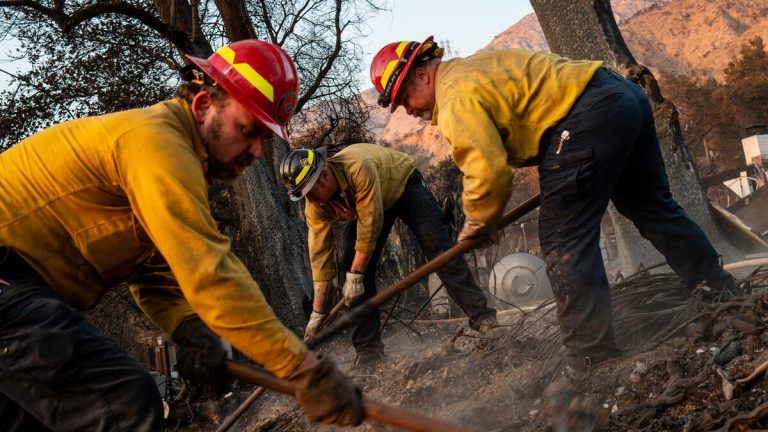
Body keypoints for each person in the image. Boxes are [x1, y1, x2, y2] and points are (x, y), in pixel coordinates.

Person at [0, 39, 363, 431]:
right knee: (122, 405)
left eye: (265, 137)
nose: (258, 150)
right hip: (8, 281)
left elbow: (149, 270)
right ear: (204, 105)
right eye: (248, 130)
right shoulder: (157, 144)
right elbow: (210, 274)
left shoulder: (167, 158)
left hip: (15, 286)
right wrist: (304, 370)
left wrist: (188, 328)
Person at [369, 36, 736, 374]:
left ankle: (592, 357)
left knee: (564, 243)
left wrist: (479, 222)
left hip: (584, 115)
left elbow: (487, 167)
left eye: (403, 98)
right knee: (653, 208)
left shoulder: (455, 99)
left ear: (421, 74)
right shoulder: (472, 70)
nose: (406, 110)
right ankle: (719, 291)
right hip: (622, 96)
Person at [279, 144, 497, 366]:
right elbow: (320, 257)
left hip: (403, 185)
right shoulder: (315, 206)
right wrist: (317, 313)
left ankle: (484, 318)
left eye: (311, 193)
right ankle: (369, 353)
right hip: (371, 206)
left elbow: (369, 228)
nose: (311, 201)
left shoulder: (358, 167)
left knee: (437, 245)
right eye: (305, 197)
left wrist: (356, 275)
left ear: (324, 176)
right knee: (350, 270)